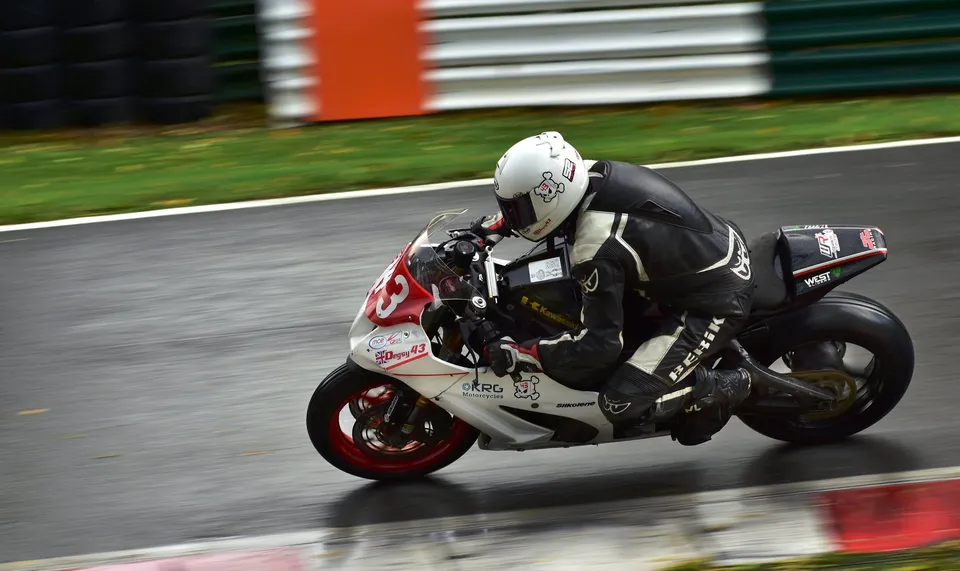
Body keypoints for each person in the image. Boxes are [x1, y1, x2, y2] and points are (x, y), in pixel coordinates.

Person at [476, 131, 761, 446]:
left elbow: (600, 345)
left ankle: (727, 384)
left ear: (549, 196)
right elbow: (544, 204)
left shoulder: (594, 246)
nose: (514, 218)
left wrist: (525, 353)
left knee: (619, 402)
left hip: (711, 303)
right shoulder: (585, 172)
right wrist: (495, 228)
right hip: (706, 253)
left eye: (519, 210)